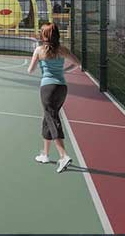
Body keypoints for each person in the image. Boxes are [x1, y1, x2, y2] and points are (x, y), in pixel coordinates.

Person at [27, 22, 80, 173]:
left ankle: (63, 156)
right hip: (62, 88)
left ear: (43, 35)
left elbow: (30, 70)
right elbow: (78, 63)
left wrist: (36, 58)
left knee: (52, 119)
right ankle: (45, 154)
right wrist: (64, 71)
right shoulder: (62, 49)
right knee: (48, 119)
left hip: (48, 89)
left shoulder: (39, 50)